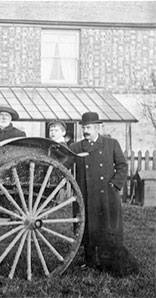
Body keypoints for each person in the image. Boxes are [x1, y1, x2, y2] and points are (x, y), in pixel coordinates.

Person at [70, 112, 138, 276]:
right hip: (85, 194)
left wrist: (114, 184)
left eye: (89, 127)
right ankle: (90, 260)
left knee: (107, 227)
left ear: (97, 127)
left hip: (106, 194)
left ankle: (110, 261)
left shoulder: (111, 144)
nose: (85, 131)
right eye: (84, 127)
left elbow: (122, 165)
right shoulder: (76, 148)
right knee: (87, 226)